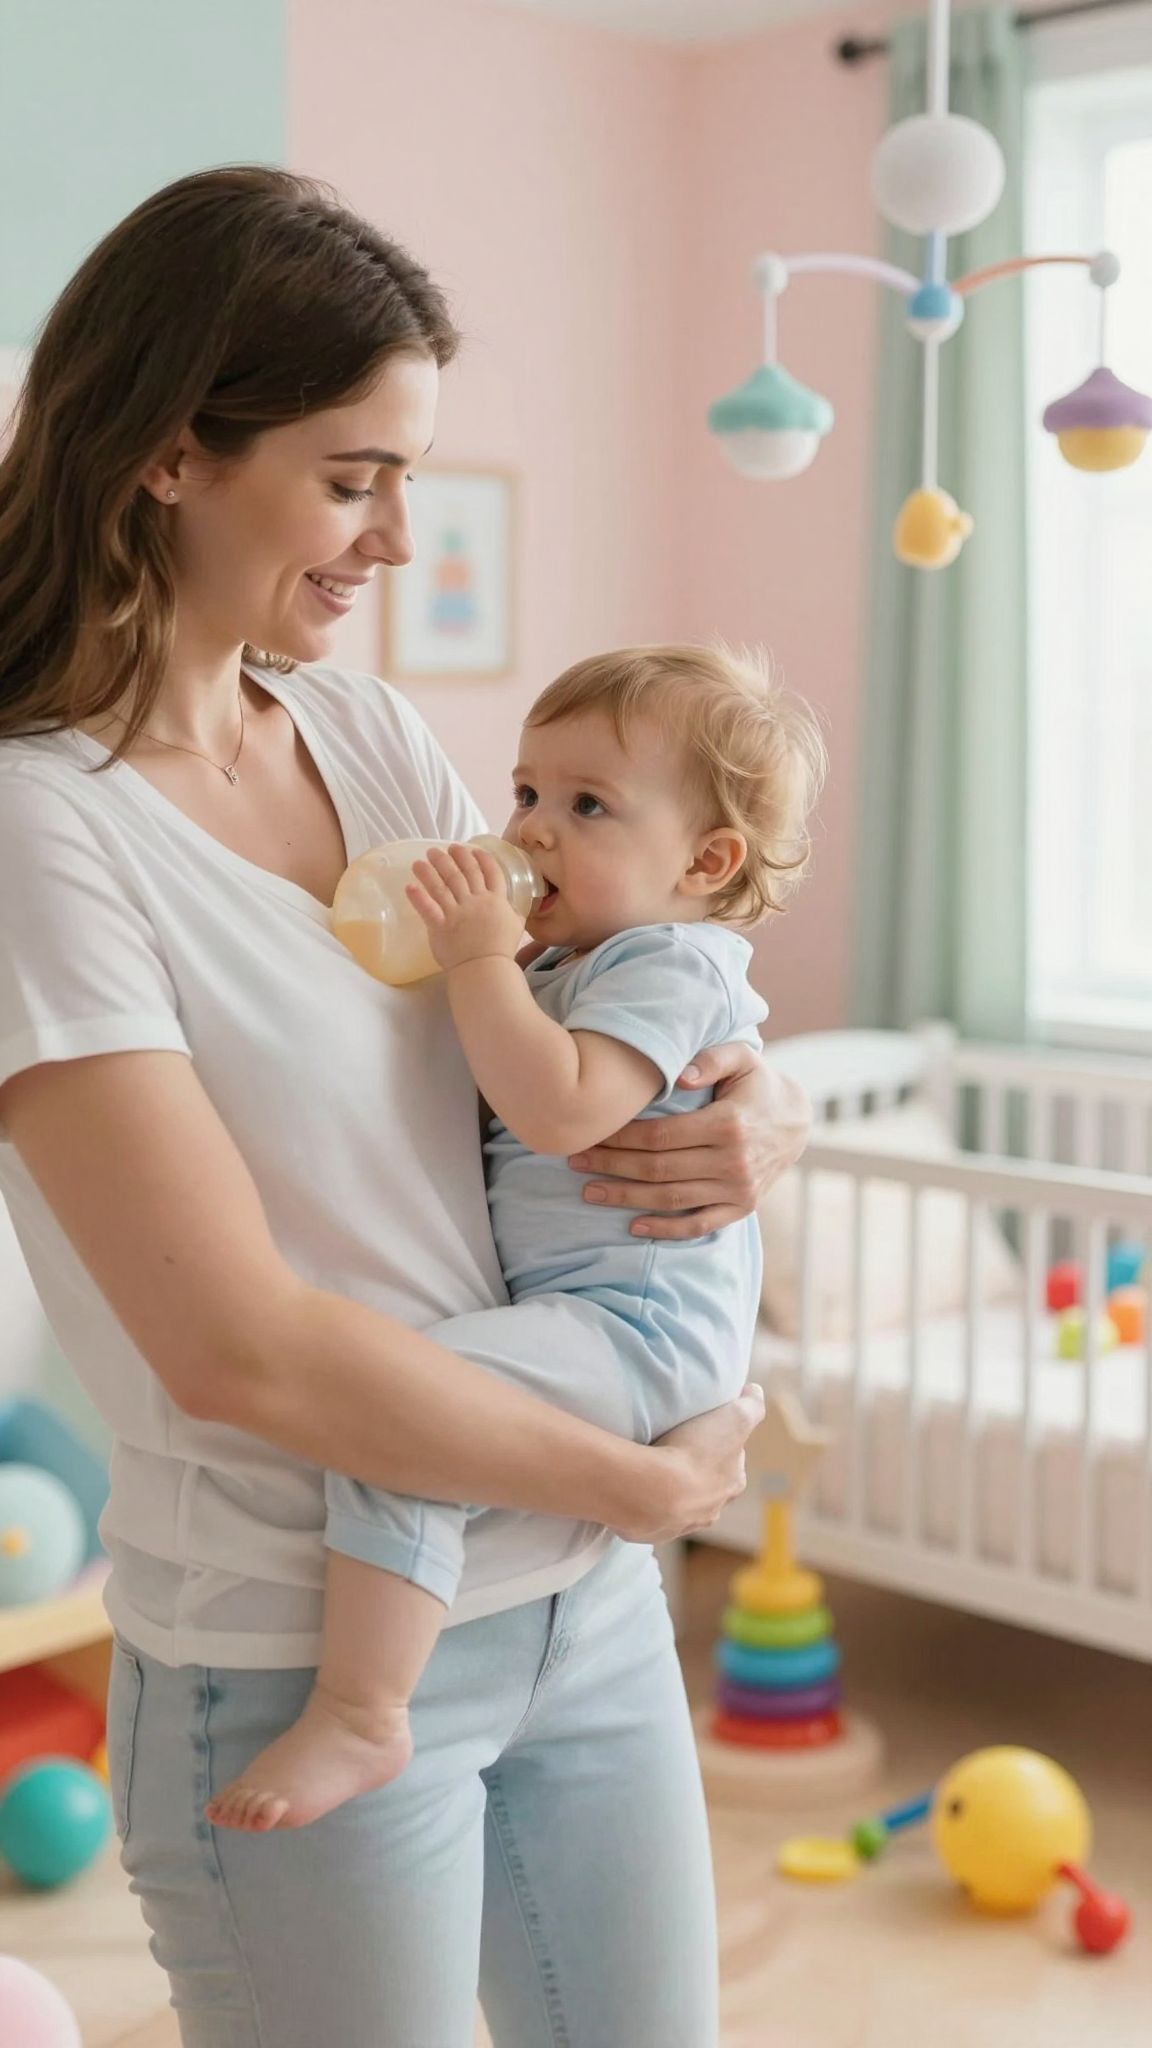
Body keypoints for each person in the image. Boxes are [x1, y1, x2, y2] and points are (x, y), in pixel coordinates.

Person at [0, 167, 810, 2048]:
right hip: (302, 1630)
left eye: (407, 479)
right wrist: (629, 1479)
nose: (392, 536)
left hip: (575, 1609)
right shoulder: (42, 828)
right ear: (169, 454)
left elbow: (592, 992)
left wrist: (753, 1102)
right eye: (352, 475)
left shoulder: (359, 734)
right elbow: (239, 1348)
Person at [208, 642, 825, 1835]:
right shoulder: (577, 960)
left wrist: (481, 957)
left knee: (399, 1414)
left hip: (633, 1330)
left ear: (705, 861)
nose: (534, 828)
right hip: (603, 1325)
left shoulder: (668, 959)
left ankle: (363, 1703)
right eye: (529, 790)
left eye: (588, 804)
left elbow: (556, 1107)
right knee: (415, 1406)